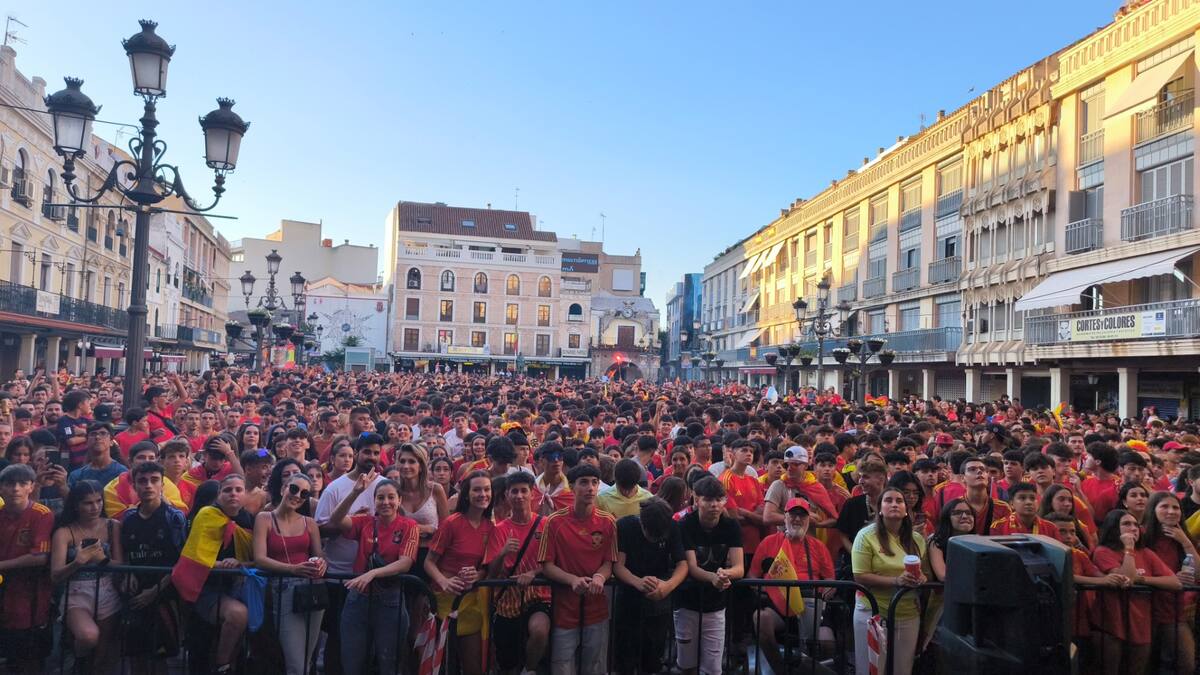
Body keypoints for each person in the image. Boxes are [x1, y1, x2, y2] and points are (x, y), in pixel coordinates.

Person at [326, 470, 418, 675]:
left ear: (399, 500)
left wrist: (373, 573)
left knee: (389, 662)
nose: (386, 502)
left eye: (391, 497)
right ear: (374, 501)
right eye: (380, 497)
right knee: (352, 661)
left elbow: (405, 563)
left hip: (390, 600)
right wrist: (355, 492)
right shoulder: (366, 521)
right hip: (358, 598)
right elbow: (336, 520)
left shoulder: (409, 526)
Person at [313, 432, 385, 675]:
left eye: (376, 453)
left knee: (370, 639)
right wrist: (352, 522)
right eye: (367, 452)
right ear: (356, 453)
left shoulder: (384, 487)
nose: (372, 458)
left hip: (372, 576)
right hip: (339, 576)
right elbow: (320, 528)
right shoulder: (336, 488)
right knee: (337, 635)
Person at [537, 463, 617, 675]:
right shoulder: (554, 522)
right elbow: (546, 565)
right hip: (564, 607)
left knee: (595, 666)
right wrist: (572, 580)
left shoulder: (608, 522)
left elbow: (610, 561)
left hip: (597, 606)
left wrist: (600, 576)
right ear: (571, 487)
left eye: (594, 483)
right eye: (584, 483)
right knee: (563, 666)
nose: (590, 488)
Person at [172, 474, 254, 675]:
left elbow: (257, 557)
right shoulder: (207, 514)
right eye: (227, 490)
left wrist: (239, 564)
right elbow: (194, 556)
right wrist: (222, 565)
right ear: (219, 495)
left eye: (238, 490)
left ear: (245, 495)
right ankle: (222, 666)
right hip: (205, 589)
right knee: (235, 617)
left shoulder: (250, 519)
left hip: (240, 588)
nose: (233, 494)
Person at [749, 497, 837, 675]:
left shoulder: (818, 547)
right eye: (793, 515)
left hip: (811, 606)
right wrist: (771, 590)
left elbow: (831, 581)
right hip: (779, 607)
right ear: (785, 517)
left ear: (808, 520)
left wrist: (828, 591)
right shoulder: (768, 543)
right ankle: (779, 670)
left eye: (802, 515)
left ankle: (808, 669)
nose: (797, 519)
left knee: (827, 641)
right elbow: (751, 577)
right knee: (761, 618)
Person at [253, 471, 327, 675]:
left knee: (306, 661)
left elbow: (320, 555)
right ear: (283, 489)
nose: (297, 495)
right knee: (296, 664)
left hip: (312, 590)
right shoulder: (264, 518)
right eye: (294, 489)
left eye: (304, 494)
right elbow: (259, 558)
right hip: (283, 589)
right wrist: (293, 569)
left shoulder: (309, 523)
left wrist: (321, 565)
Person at [1091, 508, 1181, 675]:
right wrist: (1129, 548)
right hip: (1112, 623)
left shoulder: (1146, 553)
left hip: (1140, 622)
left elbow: (1175, 582)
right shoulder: (1103, 551)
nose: (1133, 528)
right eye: (1126, 524)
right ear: (1113, 528)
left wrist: (1143, 580)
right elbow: (1128, 578)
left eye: (1135, 524)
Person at [119, 460, 188, 674]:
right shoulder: (128, 517)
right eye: (142, 481)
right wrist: (127, 573)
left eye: (154, 480)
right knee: (135, 655)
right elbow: (126, 553)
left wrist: (154, 591)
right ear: (134, 486)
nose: (148, 485)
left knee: (160, 657)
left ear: (162, 485)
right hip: (134, 596)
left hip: (164, 597)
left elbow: (182, 560)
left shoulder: (174, 518)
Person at [851, 486, 928, 675]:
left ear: (906, 510)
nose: (894, 504)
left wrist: (923, 578)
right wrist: (896, 581)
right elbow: (859, 576)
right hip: (872, 612)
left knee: (902, 670)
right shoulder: (866, 536)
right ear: (879, 508)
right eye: (888, 500)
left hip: (908, 612)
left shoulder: (917, 539)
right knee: (872, 670)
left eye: (899, 501)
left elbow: (926, 573)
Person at [50, 480, 124, 672]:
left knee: (102, 655)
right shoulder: (64, 532)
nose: (95, 507)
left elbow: (121, 565)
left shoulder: (112, 526)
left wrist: (101, 560)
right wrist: (77, 562)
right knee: (88, 636)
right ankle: (76, 659)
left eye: (98, 501)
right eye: (88, 503)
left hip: (108, 589)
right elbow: (55, 575)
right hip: (76, 592)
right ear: (76, 505)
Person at [426, 470, 496, 675]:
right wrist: (444, 581)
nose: (482, 494)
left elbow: (486, 569)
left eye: (487, 489)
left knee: (473, 665)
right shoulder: (451, 523)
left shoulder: (489, 527)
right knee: (444, 665)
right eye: (477, 490)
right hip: (443, 602)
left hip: (472, 602)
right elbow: (429, 562)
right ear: (466, 494)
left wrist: (478, 576)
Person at [675, 474, 744, 675]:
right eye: (708, 499)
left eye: (718, 499)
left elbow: (739, 568)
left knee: (713, 668)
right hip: (687, 602)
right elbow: (692, 567)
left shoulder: (731, 526)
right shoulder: (685, 525)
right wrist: (714, 577)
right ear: (697, 500)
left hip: (716, 605)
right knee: (687, 665)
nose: (714, 505)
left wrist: (724, 574)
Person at [485, 471, 551, 675]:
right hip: (507, 601)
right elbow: (491, 573)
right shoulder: (500, 529)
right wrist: (503, 552)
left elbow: (556, 561)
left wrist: (533, 572)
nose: (520, 496)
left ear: (532, 494)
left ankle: (529, 670)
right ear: (506, 495)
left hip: (539, 595)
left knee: (540, 631)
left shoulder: (545, 524)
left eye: (524, 491)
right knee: (506, 662)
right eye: (515, 491)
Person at [612, 496, 688, 675]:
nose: (654, 540)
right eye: (651, 536)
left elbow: (682, 564)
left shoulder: (673, 527)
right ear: (642, 524)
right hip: (628, 602)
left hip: (658, 604)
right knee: (624, 662)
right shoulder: (625, 526)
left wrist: (668, 586)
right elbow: (618, 565)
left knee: (653, 663)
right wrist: (638, 582)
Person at [0, 464, 55, 674]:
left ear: (32, 487)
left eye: (22, 483)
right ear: (1, 488)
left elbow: (39, 557)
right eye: (9, 484)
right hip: (5, 595)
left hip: (30, 596)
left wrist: (2, 566)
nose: (16, 488)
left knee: (29, 658)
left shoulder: (42, 514)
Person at [1140, 491, 1197, 675]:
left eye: (1176, 507)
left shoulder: (1183, 539)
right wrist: (1172, 579)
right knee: (1145, 665)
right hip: (1144, 608)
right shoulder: (1141, 535)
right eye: (1164, 506)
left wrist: (1185, 541)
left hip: (1174, 610)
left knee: (1186, 664)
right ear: (1153, 510)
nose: (1171, 511)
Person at [67, 422, 127, 489]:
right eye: (93, 434)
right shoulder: (76, 476)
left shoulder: (122, 473)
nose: (97, 437)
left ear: (111, 442)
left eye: (103, 433)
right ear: (87, 442)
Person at [991, 482, 1060, 539]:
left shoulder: (1051, 528)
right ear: (1012, 504)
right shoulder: (998, 527)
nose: (1029, 502)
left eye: (1032, 498)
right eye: (1022, 498)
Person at [928, 498, 973, 582]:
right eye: (957, 513)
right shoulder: (936, 541)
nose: (964, 516)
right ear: (947, 518)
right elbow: (943, 576)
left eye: (969, 513)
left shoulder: (978, 541)